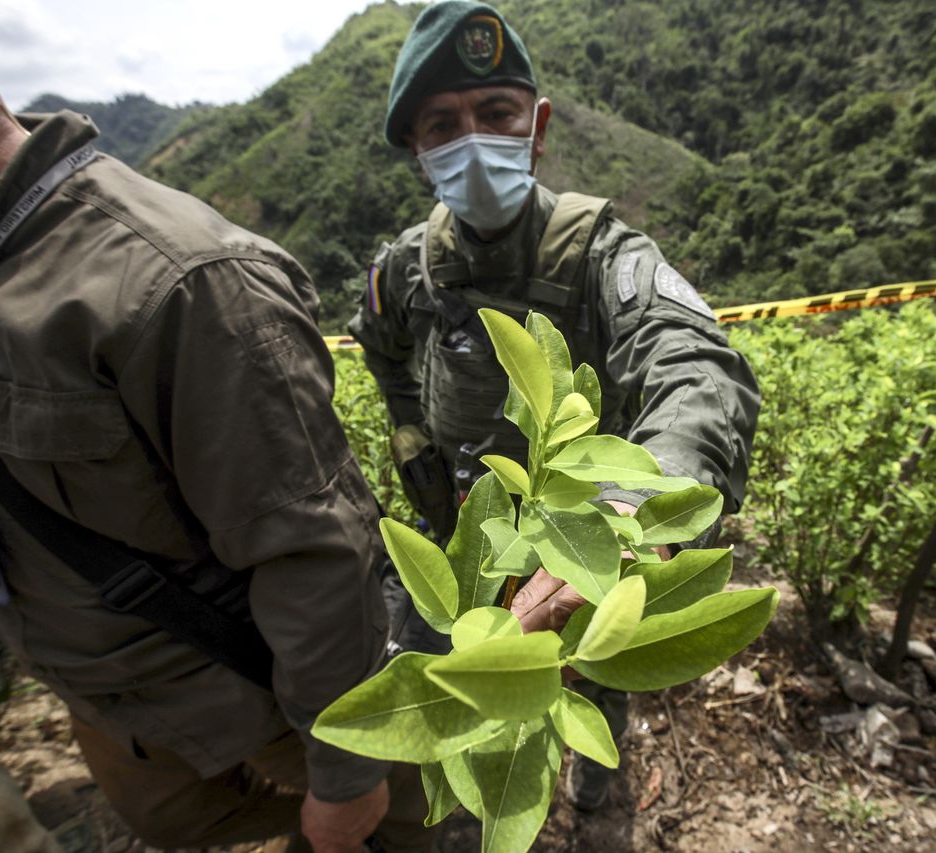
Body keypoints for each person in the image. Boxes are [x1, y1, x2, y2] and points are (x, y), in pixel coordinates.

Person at [0, 2, 427, 850]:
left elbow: (316, 556)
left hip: (250, 695)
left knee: (390, 827)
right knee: (177, 821)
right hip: (110, 701)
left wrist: (345, 774)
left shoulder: (180, 282)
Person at [349, 0, 761, 812]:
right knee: (470, 687)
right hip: (461, 534)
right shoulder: (409, 268)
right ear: (417, 151)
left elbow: (698, 367)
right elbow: (376, 342)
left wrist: (628, 511)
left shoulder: (600, 253)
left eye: (494, 114)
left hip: (576, 545)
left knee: (595, 679)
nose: (472, 139)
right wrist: (409, 430)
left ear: (534, 128)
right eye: (442, 125)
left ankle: (601, 795)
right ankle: (475, 802)